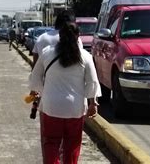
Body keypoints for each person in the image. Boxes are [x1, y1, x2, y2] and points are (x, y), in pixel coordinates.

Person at [29, 21, 101, 164]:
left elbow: (35, 77)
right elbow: (92, 81)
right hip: (75, 108)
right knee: (72, 144)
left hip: (51, 106)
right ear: (78, 36)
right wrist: (93, 103)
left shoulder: (47, 53)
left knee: (50, 142)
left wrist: (41, 92)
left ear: (60, 36)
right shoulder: (85, 56)